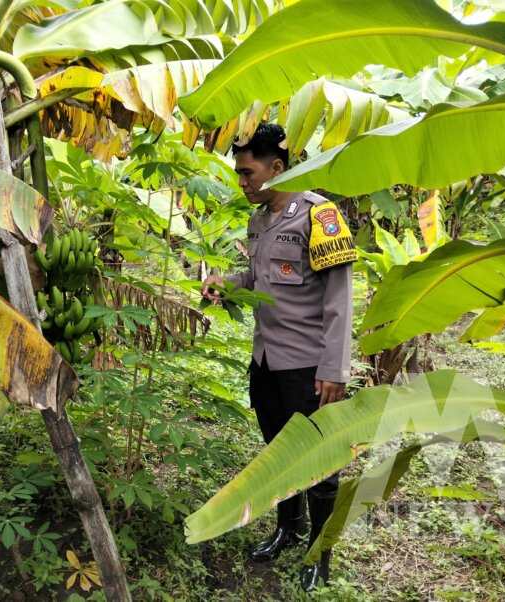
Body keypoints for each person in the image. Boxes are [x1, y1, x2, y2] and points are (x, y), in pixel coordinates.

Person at [202, 123, 355, 591]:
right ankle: (288, 530)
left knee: (318, 463)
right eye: (239, 172)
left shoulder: (319, 217)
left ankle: (319, 554)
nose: (241, 182)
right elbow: (256, 274)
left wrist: (334, 370)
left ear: (277, 168)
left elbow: (339, 301)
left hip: (308, 369)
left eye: (248, 173)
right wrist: (222, 284)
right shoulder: (260, 219)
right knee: (277, 453)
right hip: (267, 362)